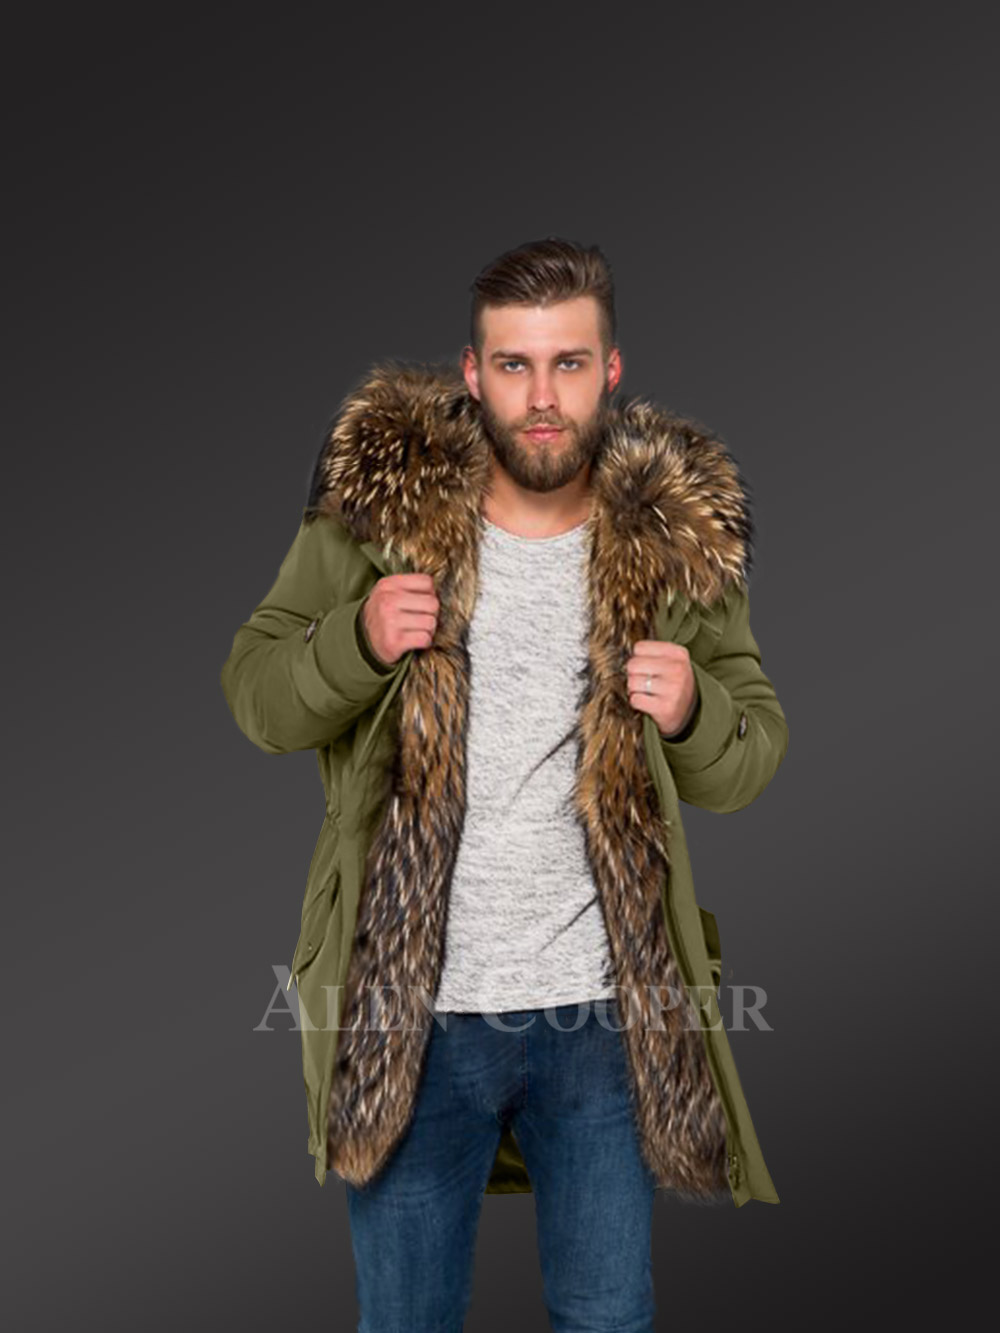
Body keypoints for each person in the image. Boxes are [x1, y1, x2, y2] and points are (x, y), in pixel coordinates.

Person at [220, 236, 789, 1332]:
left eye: (567, 364)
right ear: (472, 372)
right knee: (407, 1320)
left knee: (608, 1317)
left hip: (604, 1020)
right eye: (515, 365)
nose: (541, 399)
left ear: (609, 370)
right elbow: (256, 695)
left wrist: (693, 710)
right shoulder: (374, 520)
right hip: (411, 1016)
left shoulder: (674, 540)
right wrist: (355, 641)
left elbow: (752, 754)